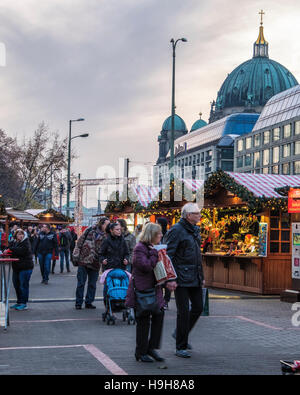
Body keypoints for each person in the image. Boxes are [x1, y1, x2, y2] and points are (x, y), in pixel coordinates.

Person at [126, 222, 176, 363]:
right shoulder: (140, 248)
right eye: (159, 233)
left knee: (159, 316)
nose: (161, 235)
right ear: (152, 235)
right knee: (143, 322)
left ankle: (151, 348)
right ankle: (141, 351)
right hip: (143, 290)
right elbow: (145, 266)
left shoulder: (153, 247)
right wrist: (155, 254)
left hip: (155, 289)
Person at [164, 202, 205, 358]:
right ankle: (180, 346)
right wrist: (171, 278)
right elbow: (169, 255)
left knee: (198, 307)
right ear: (189, 215)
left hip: (194, 276)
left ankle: (181, 333)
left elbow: (196, 256)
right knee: (183, 312)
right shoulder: (176, 231)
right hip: (180, 277)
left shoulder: (194, 230)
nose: (200, 215)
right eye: (197, 213)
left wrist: (201, 277)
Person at [75, 217, 110, 310]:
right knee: (81, 283)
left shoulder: (107, 235)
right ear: (102, 224)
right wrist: (76, 254)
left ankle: (89, 302)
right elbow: (80, 242)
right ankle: (78, 302)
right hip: (84, 259)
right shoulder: (90, 230)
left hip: (95, 262)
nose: (108, 226)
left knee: (92, 284)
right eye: (107, 224)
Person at [7, 229, 34, 311]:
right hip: (17, 267)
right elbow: (10, 248)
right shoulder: (15, 242)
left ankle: (24, 303)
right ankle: (19, 301)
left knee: (23, 285)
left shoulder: (26, 242)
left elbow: (21, 251)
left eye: (22, 234)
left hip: (25, 267)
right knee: (17, 285)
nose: (20, 236)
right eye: (19, 234)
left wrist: (11, 250)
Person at [156, 217, 171, 310]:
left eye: (157, 223)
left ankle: (166, 300)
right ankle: (160, 300)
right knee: (160, 280)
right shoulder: (156, 233)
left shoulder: (168, 234)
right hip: (158, 259)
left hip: (166, 259)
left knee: (167, 281)